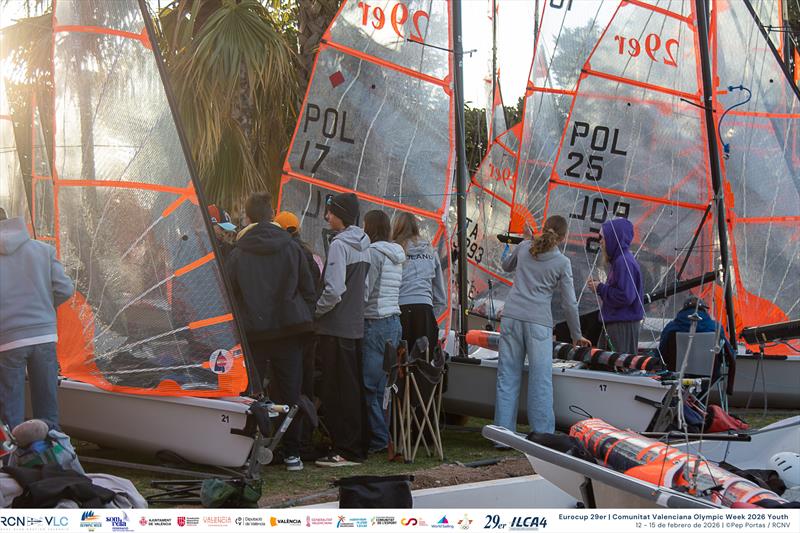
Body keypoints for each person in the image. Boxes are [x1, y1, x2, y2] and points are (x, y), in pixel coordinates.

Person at [225, 192, 316, 471]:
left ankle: (248, 452)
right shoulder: (292, 248)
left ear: (249, 218)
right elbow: (309, 289)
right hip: (289, 330)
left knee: (251, 393)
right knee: (290, 393)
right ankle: (292, 455)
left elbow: (229, 293)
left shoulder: (238, 252)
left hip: (253, 333)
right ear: (272, 215)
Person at [494, 215, 591, 436]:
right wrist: (576, 335)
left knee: (507, 375)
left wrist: (524, 240)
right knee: (541, 380)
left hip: (512, 316)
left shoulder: (526, 247)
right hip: (538, 323)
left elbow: (506, 266)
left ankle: (502, 434)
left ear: (544, 228)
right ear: (564, 237)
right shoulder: (562, 262)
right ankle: (542, 433)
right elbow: (569, 303)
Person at [0, 207, 74, 431]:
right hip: (44, 335)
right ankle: (54, 455)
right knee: (47, 405)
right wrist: (43, 307)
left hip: (7, 339)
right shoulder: (43, 250)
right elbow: (65, 289)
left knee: (10, 409)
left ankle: (13, 460)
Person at [314, 192, 371, 467]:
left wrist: (315, 311)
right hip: (355, 327)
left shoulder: (339, 245)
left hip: (335, 328)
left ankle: (344, 450)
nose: (327, 217)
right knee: (352, 389)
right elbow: (366, 289)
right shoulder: (365, 243)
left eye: (331, 213)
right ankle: (356, 445)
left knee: (335, 390)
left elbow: (334, 290)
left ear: (341, 215)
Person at [273, 210, 323, 459]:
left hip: (290, 331)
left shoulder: (285, 254)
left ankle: (290, 440)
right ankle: (304, 440)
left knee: (288, 389)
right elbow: (315, 292)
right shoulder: (310, 256)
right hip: (309, 329)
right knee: (305, 385)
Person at [362, 210, 405, 453]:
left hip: (375, 321)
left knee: (368, 385)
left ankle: (379, 438)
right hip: (393, 322)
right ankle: (382, 435)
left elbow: (366, 291)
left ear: (369, 227)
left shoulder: (373, 253)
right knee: (382, 387)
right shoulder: (397, 255)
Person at [391, 212, 447, 352]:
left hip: (400, 311)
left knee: (399, 365)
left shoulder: (392, 251)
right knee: (423, 366)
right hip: (425, 311)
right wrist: (429, 314)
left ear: (395, 227)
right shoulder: (430, 251)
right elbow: (441, 297)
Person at [588, 218, 644, 355]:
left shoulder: (622, 262)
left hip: (621, 325)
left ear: (614, 238)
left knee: (617, 367)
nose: (600, 241)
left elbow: (625, 296)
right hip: (619, 322)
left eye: (603, 237)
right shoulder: (623, 260)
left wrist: (600, 288)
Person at [658, 296, 735, 395]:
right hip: (708, 376)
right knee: (714, 373)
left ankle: (685, 401)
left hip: (677, 375)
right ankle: (698, 401)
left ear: (683, 309)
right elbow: (728, 353)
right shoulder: (715, 327)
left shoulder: (671, 327)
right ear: (704, 310)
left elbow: (662, 352)